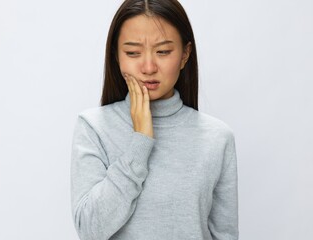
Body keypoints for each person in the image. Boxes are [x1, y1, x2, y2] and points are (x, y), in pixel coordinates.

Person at [70, 0, 239, 239]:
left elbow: (225, 234)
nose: (148, 67)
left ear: (184, 55)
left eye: (163, 51)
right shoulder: (94, 127)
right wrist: (141, 141)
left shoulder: (217, 137)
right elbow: (90, 230)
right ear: (116, 56)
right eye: (132, 53)